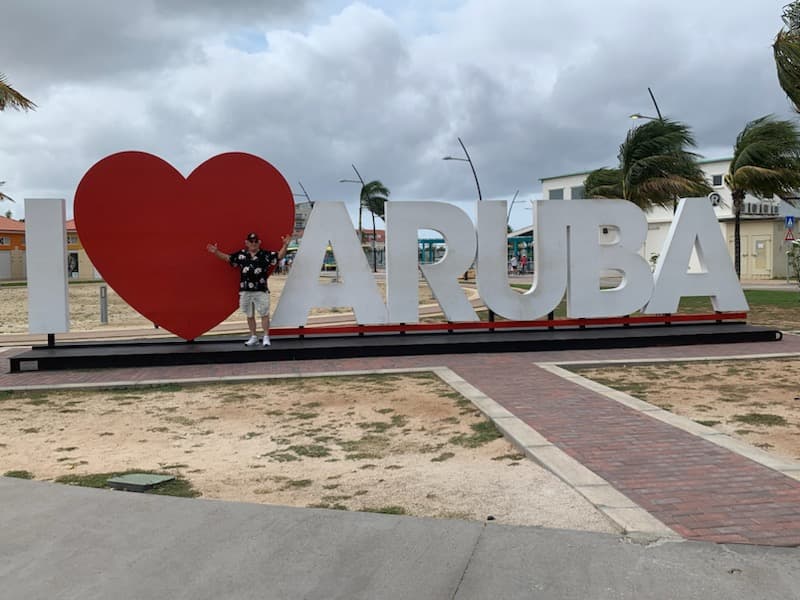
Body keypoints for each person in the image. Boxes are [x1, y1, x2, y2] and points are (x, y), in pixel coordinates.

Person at [207, 232, 291, 347]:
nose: (253, 244)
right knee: (249, 314)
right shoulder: (242, 255)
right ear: (246, 243)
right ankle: (253, 336)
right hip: (245, 289)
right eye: (251, 241)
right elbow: (228, 258)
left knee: (264, 313)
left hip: (261, 289)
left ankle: (266, 336)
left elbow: (279, 256)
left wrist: (285, 245)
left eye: (256, 241)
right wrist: (216, 252)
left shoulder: (265, 255)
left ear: (259, 242)